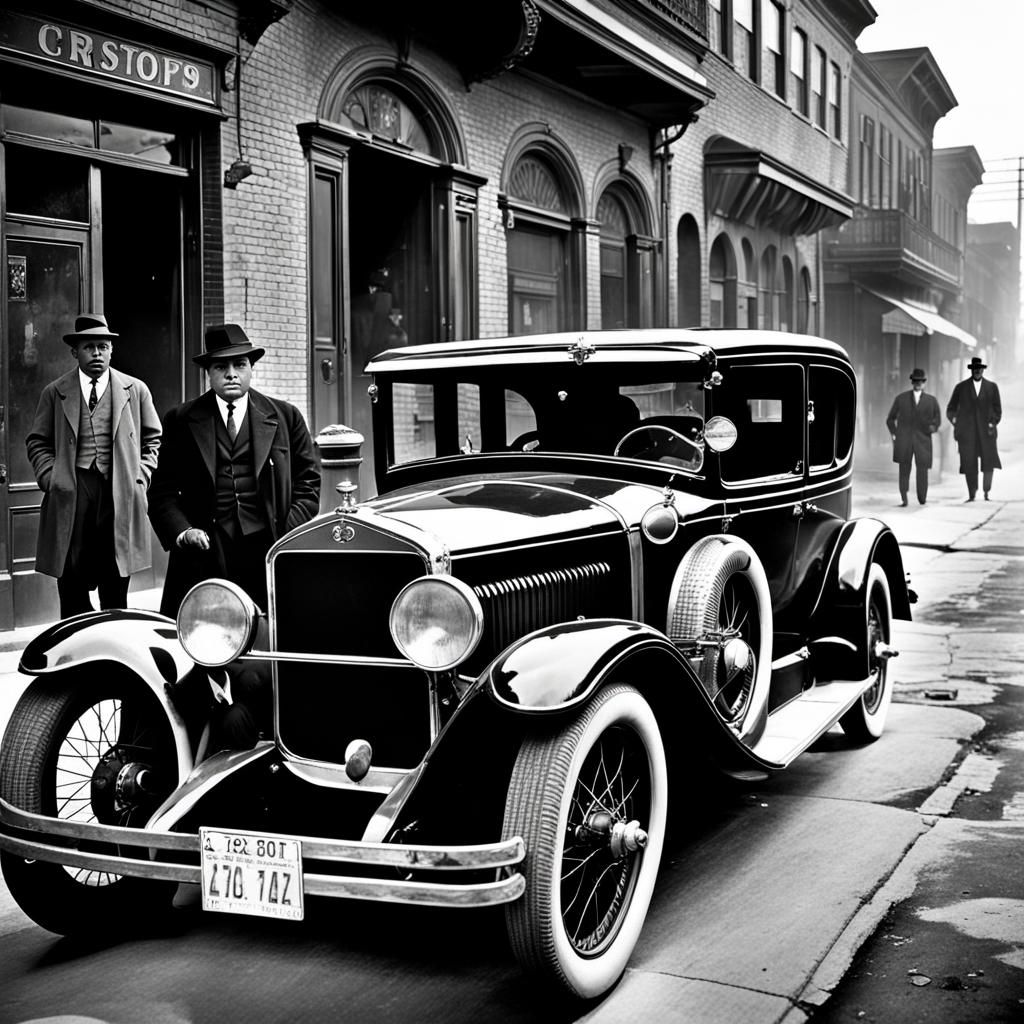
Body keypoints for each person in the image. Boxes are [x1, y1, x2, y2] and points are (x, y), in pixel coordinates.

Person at [148, 323, 320, 616]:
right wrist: (184, 531)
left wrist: (284, 530)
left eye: (239, 364)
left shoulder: (286, 416)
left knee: (271, 628)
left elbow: (309, 483)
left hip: (266, 547)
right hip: (204, 552)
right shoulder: (180, 420)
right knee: (204, 630)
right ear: (208, 372)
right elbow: (161, 491)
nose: (231, 373)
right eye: (221, 366)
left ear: (251, 368)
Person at [26, 312, 161, 617]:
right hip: (72, 493)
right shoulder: (55, 392)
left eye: (103, 347)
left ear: (112, 350)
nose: (97, 353)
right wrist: (51, 477)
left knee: (115, 585)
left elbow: (153, 439)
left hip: (118, 492)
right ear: (75, 352)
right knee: (71, 583)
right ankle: (76, 642)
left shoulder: (135, 390)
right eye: (89, 347)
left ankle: (111, 641)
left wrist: (140, 477)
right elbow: (37, 441)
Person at [945, 356, 1002, 501]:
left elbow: (998, 409)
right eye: (975, 369)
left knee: (988, 462)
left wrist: (993, 422)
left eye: (979, 369)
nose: (977, 371)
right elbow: (951, 409)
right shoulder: (961, 388)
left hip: (987, 432)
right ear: (971, 370)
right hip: (967, 433)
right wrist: (956, 421)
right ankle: (972, 493)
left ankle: (986, 491)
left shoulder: (992, 387)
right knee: (969, 463)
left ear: (983, 370)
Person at [885, 368, 941, 506]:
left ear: (924, 383)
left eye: (921, 381)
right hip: (904, 440)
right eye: (916, 381)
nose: (918, 383)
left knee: (922, 470)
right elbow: (890, 419)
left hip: (923, 441)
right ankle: (904, 498)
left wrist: (931, 429)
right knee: (904, 470)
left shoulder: (931, 401)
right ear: (912, 382)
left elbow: (937, 420)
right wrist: (895, 434)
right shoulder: (901, 399)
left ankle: (922, 498)